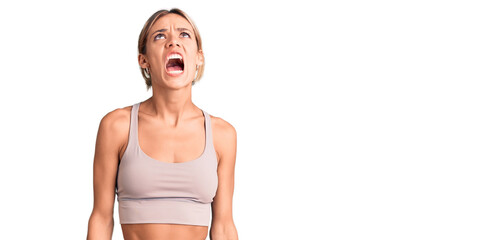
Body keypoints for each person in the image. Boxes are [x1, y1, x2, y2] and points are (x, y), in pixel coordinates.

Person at [87, 8, 238, 240]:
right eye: (160, 36)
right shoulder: (117, 126)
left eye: (184, 35)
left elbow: (224, 226)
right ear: (144, 60)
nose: (173, 42)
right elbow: (101, 218)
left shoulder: (222, 134)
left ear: (199, 57)